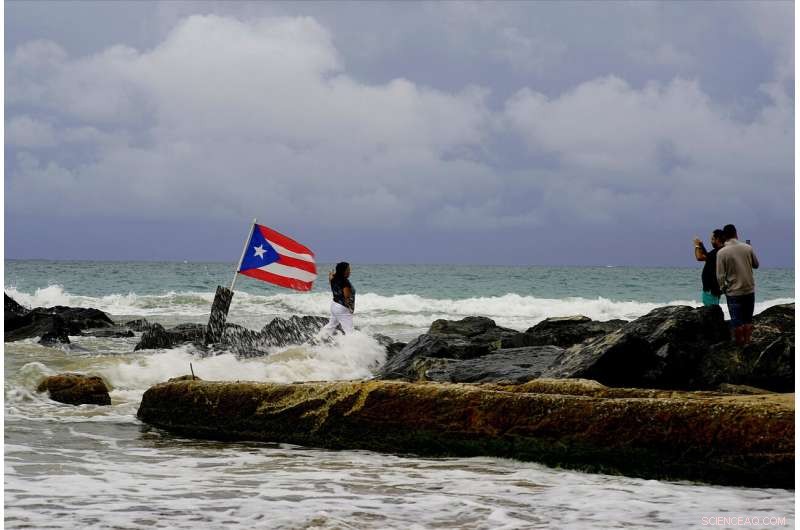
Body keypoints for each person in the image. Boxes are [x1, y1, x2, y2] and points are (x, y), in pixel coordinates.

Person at [716, 224, 759, 345]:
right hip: (749, 289)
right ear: (736, 233)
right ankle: (747, 342)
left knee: (737, 321)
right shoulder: (747, 248)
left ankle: (739, 345)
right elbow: (756, 265)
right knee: (748, 320)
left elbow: (720, 275)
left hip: (734, 291)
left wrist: (723, 288)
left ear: (724, 236)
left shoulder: (722, 252)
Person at [322, 261, 355, 335]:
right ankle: (352, 345)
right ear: (343, 271)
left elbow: (330, 277)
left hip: (334, 305)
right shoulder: (345, 282)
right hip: (342, 308)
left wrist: (331, 274)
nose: (350, 272)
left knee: (331, 326)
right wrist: (350, 309)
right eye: (348, 270)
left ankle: (319, 338)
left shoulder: (334, 279)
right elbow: (347, 297)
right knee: (350, 330)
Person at [693, 229, 725, 306]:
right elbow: (708, 257)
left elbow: (699, 257)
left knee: (711, 311)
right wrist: (702, 246)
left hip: (711, 290)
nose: (711, 241)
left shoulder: (717, 252)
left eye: (712, 239)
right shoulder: (721, 251)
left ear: (717, 239)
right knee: (713, 309)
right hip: (714, 289)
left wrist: (697, 245)